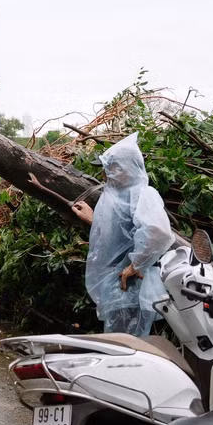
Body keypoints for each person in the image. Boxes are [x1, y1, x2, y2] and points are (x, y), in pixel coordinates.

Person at [83, 133, 175, 336]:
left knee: (128, 351)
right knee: (120, 347)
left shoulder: (142, 193)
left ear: (122, 168)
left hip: (131, 289)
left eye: (109, 168)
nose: (104, 175)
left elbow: (158, 232)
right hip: (118, 288)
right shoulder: (120, 196)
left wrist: (135, 266)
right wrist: (91, 218)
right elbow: (120, 231)